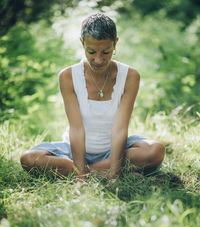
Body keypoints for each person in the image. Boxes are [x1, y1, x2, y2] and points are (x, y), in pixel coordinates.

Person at [20, 13, 165, 181]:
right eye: (91, 52)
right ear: (82, 43)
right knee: (29, 159)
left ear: (115, 43)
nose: (98, 59)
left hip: (115, 150)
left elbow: (120, 129)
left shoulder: (130, 76)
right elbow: (76, 129)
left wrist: (114, 174)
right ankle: (95, 171)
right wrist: (80, 178)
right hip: (73, 150)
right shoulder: (68, 76)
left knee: (155, 151)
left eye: (106, 51)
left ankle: (97, 170)